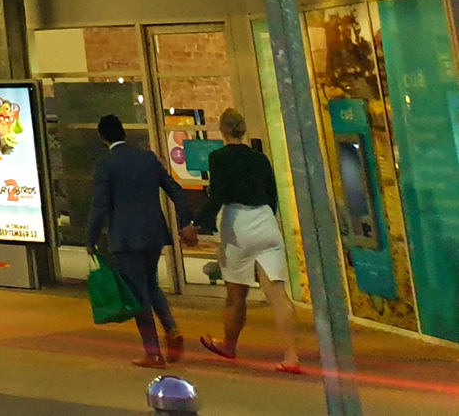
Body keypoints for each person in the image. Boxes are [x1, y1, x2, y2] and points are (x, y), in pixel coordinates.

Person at [195, 108, 302, 374]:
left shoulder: (218, 157)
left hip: (237, 224)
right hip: (265, 221)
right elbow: (272, 196)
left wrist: (198, 225)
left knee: (236, 294)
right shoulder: (260, 158)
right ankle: (292, 355)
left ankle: (229, 345)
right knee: (277, 293)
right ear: (243, 130)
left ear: (222, 130)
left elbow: (218, 195)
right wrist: (266, 218)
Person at [85, 114, 190, 367]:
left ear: (102, 137)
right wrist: (185, 221)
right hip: (154, 233)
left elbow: (100, 206)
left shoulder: (106, 164)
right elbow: (175, 190)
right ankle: (172, 329)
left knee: (138, 293)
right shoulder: (147, 158)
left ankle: (153, 353)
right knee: (151, 284)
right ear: (124, 132)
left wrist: (91, 238)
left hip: (125, 238)